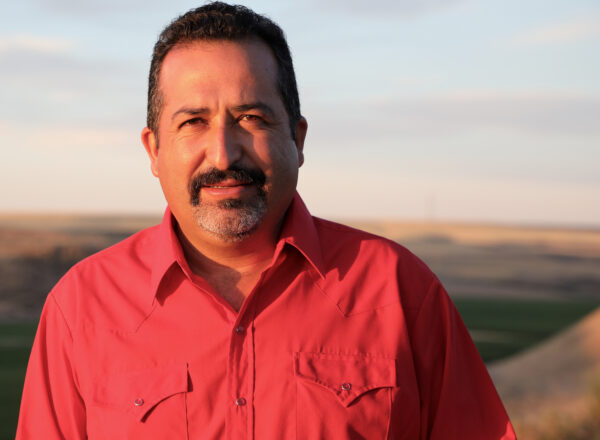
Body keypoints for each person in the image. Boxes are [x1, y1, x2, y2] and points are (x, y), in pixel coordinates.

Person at [16, 2, 516, 439]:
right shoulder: (81, 307)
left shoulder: (399, 289)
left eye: (252, 118)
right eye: (193, 122)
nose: (223, 153)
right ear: (154, 148)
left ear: (297, 140)